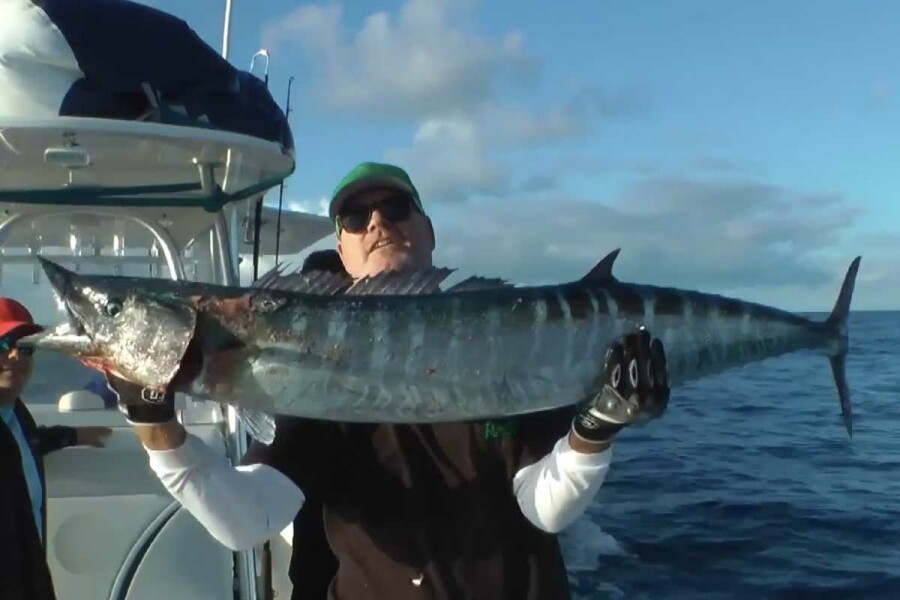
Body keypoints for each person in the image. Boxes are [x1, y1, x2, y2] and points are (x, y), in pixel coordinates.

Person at [105, 162, 670, 599]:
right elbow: (248, 521)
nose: (377, 223)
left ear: (428, 231)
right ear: (342, 250)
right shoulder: (306, 374)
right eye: (356, 218)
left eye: (396, 209)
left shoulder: (504, 339)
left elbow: (545, 507)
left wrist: (596, 428)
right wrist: (157, 429)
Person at [0, 297, 112, 600]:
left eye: (25, 348)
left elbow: (26, 444)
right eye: (2, 345)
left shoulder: (16, 414)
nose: (14, 355)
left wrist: (72, 436)